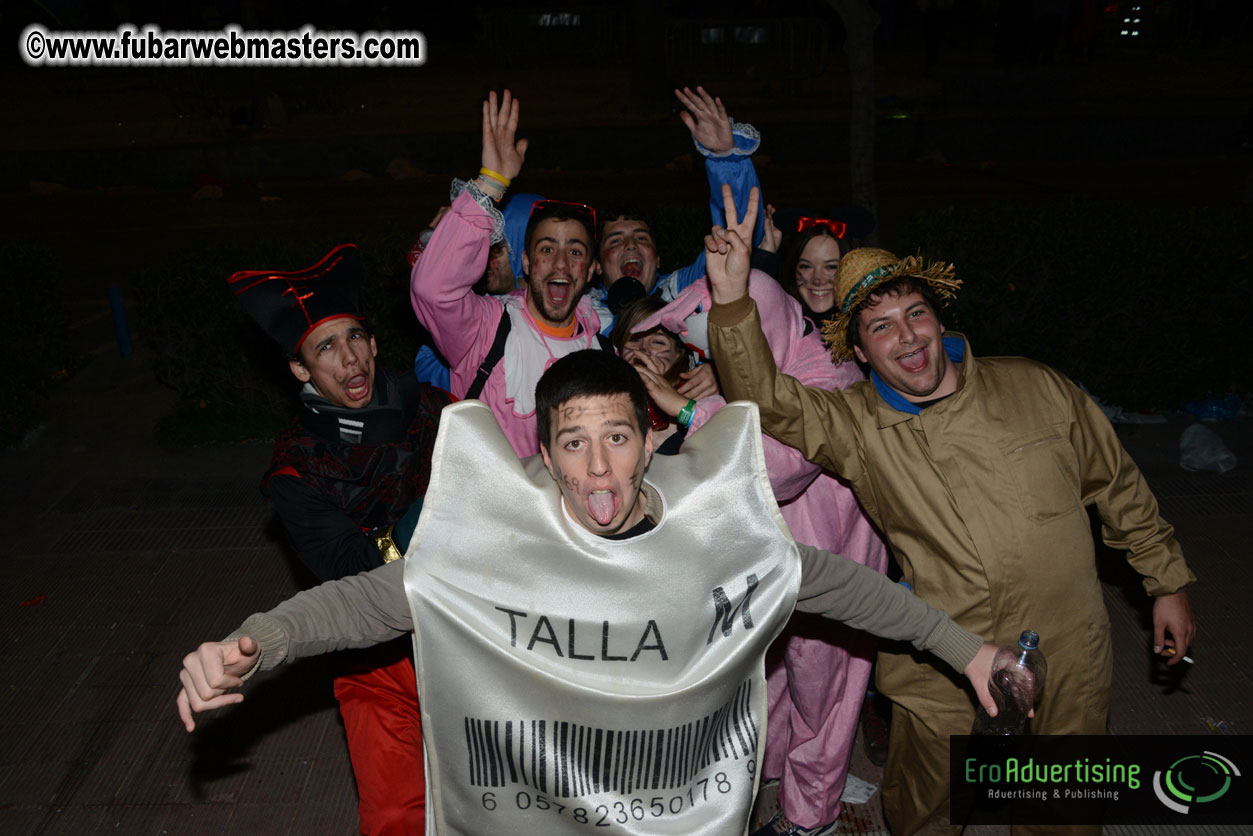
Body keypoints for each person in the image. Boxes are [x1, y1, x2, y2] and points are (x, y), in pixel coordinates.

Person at [177, 349, 1002, 836]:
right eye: (574, 444)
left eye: (616, 437)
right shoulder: (506, 545)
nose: (598, 469)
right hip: (544, 810)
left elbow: (847, 589)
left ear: (651, 440)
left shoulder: (716, 538)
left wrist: (966, 653)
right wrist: (255, 646)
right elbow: (365, 602)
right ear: (542, 451)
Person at [702, 195, 1197, 836]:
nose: (906, 335)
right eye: (881, 326)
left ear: (938, 319)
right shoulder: (853, 425)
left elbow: (1117, 483)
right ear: (858, 350)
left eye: (916, 314)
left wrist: (1167, 582)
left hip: (1071, 642)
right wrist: (735, 299)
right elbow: (763, 398)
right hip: (945, 659)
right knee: (927, 807)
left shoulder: (1034, 385)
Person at [628, 240, 888, 836]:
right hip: (775, 564)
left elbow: (779, 465)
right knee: (769, 675)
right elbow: (741, 409)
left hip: (834, 565)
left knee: (826, 691)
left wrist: (688, 412)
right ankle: (771, 772)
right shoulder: (759, 367)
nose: (717, 355)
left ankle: (809, 816)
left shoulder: (829, 371)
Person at [227, 243, 449, 836]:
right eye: (325, 348)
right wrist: (434, 513)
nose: (349, 360)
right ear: (300, 368)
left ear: (374, 343)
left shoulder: (437, 409)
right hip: (376, 658)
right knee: (394, 813)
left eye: (355, 338)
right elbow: (349, 571)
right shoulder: (294, 472)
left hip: (466, 633)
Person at [410, 90, 612, 457]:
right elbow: (433, 290)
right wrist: (491, 182)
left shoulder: (603, 350)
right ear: (527, 263)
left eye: (576, 251)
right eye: (547, 249)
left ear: (592, 270)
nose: (561, 263)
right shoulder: (487, 329)